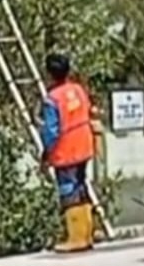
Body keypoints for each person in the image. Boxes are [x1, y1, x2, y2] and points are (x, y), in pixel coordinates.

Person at [39, 53, 96, 253]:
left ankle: (76, 238)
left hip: (65, 152)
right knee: (81, 188)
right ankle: (88, 234)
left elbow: (51, 131)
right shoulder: (79, 90)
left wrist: (46, 153)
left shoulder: (52, 99)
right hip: (84, 145)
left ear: (49, 74)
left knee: (69, 192)